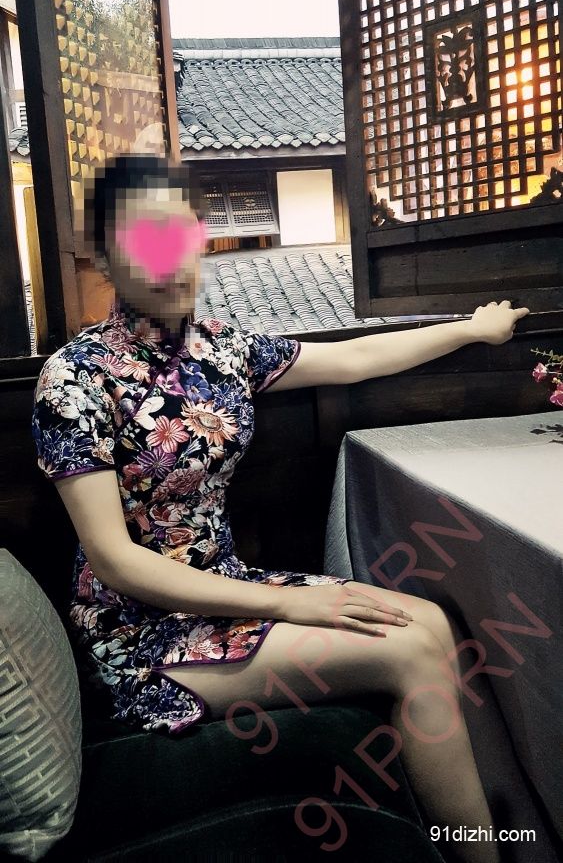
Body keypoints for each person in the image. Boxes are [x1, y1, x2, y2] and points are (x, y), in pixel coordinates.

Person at [32, 154, 530, 863]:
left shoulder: (222, 349)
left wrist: (470, 331)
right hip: (139, 631)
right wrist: (291, 604)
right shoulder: (73, 378)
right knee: (410, 649)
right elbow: (114, 561)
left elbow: (355, 359)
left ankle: (462, 828)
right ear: (105, 257)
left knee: (433, 621)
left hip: (228, 589)